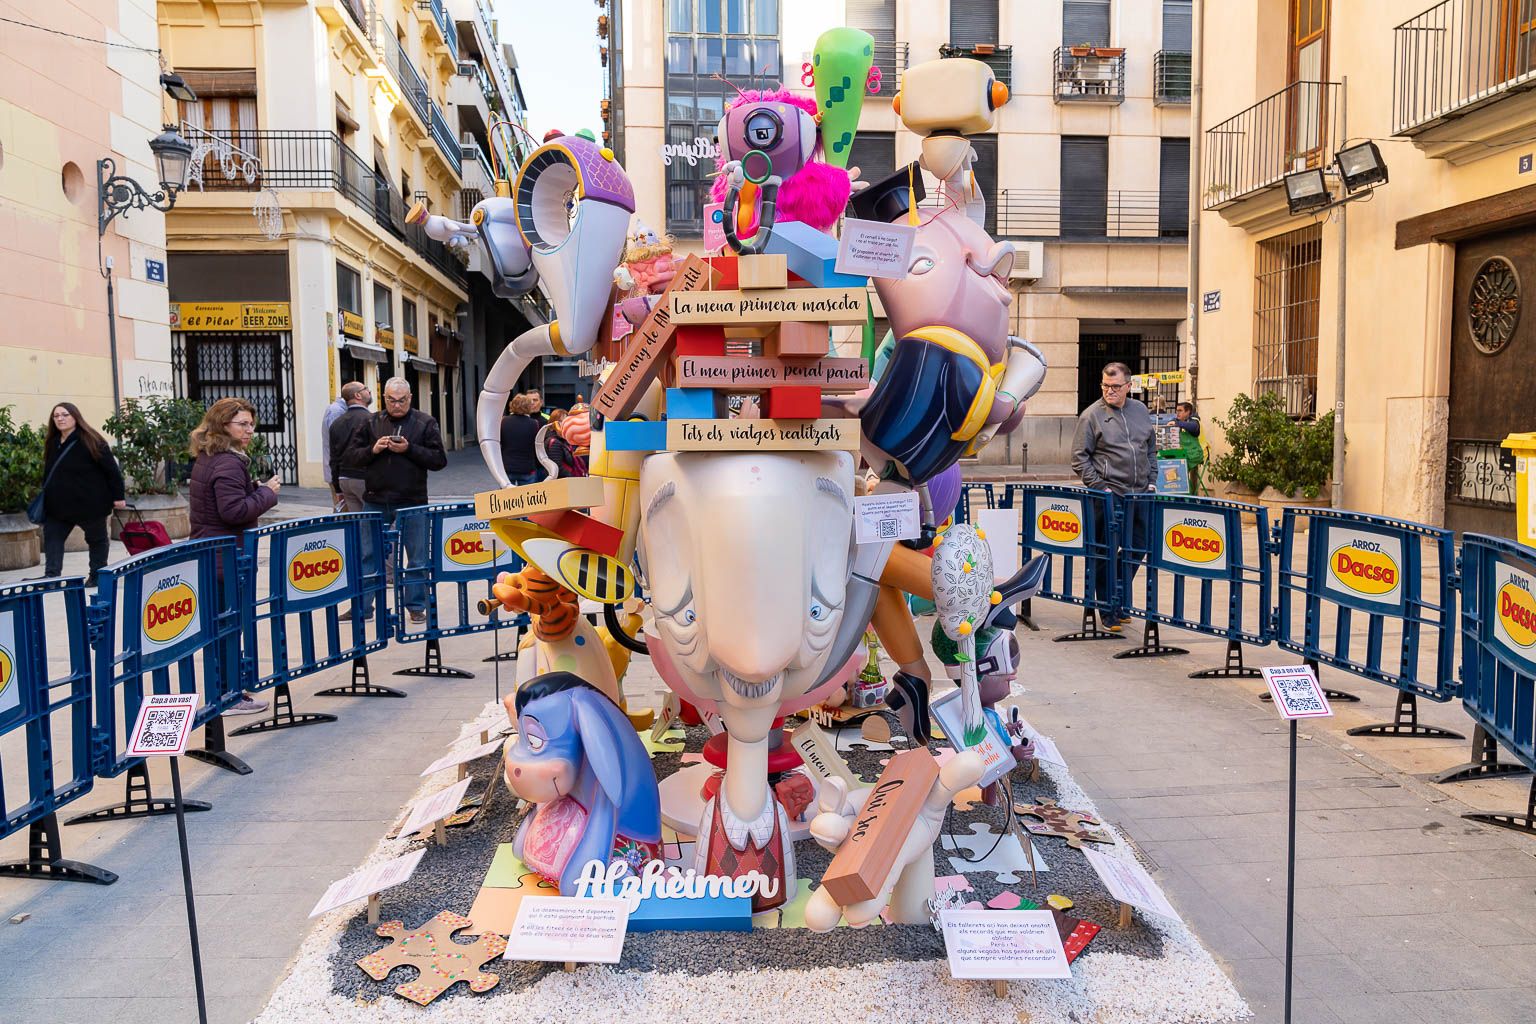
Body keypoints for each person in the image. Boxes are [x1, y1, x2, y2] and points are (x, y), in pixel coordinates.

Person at [188, 397, 281, 715]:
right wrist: (267, 493)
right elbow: (233, 511)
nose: (250, 430)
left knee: (222, 627)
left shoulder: (211, 456)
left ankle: (226, 692)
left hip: (213, 553)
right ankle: (228, 696)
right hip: (224, 557)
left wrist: (252, 489)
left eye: (251, 424)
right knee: (228, 627)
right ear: (222, 425)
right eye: (242, 424)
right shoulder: (227, 462)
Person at [346, 377, 447, 622]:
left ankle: (415, 606)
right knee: (367, 555)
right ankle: (364, 608)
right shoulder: (371, 422)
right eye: (391, 400)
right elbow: (351, 457)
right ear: (384, 398)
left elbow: (438, 460)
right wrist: (374, 450)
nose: (397, 405)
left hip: (412, 500)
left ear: (410, 398)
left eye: (401, 400)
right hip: (376, 499)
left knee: (417, 556)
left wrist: (410, 449)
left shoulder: (425, 422)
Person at [1070, 362, 1156, 631]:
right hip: (1108, 496)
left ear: (1129, 387)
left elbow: (1150, 449)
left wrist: (1152, 481)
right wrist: (1100, 487)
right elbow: (1079, 458)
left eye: (1116, 387)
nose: (1110, 391)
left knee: (1137, 548)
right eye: (1106, 386)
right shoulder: (1092, 415)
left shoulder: (1140, 411)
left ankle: (1116, 598)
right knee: (1105, 552)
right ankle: (1108, 610)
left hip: (1140, 495)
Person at [38, 403, 127, 585]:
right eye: (56, 416)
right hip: (59, 505)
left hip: (90, 504)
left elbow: (111, 470)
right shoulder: (53, 442)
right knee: (53, 538)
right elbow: (48, 471)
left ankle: (96, 575)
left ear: (75, 417)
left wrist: (118, 497)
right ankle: (51, 575)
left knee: (97, 540)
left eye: (65, 414)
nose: (60, 419)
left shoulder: (91, 439)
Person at [328, 381, 372, 511]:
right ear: (358, 395)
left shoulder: (336, 423)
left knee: (356, 521)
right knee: (372, 520)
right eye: (366, 389)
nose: (369, 391)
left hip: (344, 479)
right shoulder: (372, 419)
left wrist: (337, 487)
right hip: (363, 478)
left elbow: (334, 458)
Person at [499, 393, 542, 485]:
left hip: (507, 466)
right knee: (527, 497)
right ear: (528, 407)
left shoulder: (503, 421)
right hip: (527, 467)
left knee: (506, 497)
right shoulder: (534, 423)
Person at [320, 387, 350, 511]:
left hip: (335, 467)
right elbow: (338, 441)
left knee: (341, 506)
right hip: (337, 468)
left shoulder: (338, 409)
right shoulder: (337, 411)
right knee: (342, 507)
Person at [543, 410, 586, 478]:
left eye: (566, 421)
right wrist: (573, 477)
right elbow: (557, 468)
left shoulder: (564, 440)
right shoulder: (555, 442)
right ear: (553, 423)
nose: (564, 424)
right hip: (561, 483)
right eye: (561, 421)